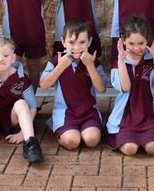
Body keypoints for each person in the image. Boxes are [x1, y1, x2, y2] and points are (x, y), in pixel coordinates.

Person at [40, 19, 107, 150]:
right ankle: (58, 124)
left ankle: (88, 127)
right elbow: (44, 85)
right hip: (65, 111)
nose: (77, 47)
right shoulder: (56, 61)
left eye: (82, 42)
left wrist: (90, 66)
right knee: (72, 142)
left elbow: (101, 89)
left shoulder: (93, 61)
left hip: (88, 110)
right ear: (63, 42)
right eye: (71, 42)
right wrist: (60, 67)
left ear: (89, 41)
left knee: (92, 140)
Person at [107, 16, 154, 156]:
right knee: (130, 149)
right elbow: (125, 87)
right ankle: (127, 138)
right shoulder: (118, 62)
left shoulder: (152, 60)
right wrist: (121, 60)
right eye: (131, 43)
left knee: (152, 148)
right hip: (126, 115)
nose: (136, 48)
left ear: (148, 39)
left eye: (141, 43)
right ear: (123, 41)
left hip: (148, 115)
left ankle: (145, 137)